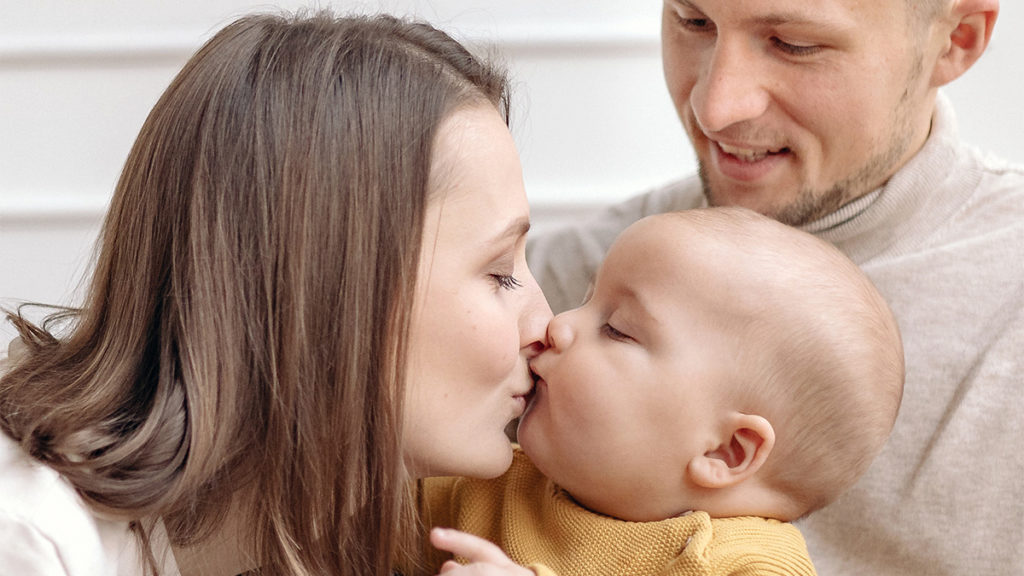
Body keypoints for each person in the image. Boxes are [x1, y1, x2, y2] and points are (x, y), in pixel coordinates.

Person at [0, 10, 551, 576]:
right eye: (500, 273)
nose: (546, 324)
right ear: (331, 291)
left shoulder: (361, 527)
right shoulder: (30, 537)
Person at [526, 1, 1024, 574]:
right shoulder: (551, 278)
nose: (715, 107)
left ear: (956, 39)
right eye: (693, 22)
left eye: (794, 44)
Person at [420, 208, 905, 576]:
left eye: (615, 329)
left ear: (727, 450)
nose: (559, 324)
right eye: (587, 301)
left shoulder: (746, 563)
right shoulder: (489, 488)